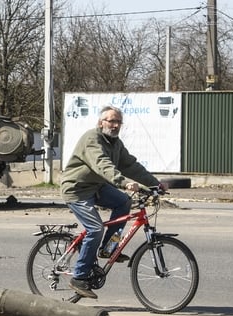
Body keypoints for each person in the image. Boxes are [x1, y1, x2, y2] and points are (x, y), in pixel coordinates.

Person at [60, 106, 164, 299]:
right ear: (101, 123)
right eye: (111, 121)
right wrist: (124, 183)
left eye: (118, 122)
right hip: (77, 189)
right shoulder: (92, 139)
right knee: (95, 228)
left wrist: (155, 184)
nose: (115, 125)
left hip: (96, 187)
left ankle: (108, 250)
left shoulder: (116, 144)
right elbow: (102, 165)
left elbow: (131, 166)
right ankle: (79, 277)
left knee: (123, 202)